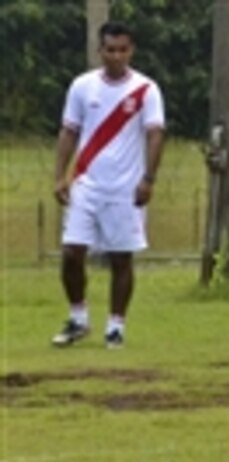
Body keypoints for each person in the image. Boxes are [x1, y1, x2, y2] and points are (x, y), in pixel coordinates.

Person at [52, 21, 166, 349]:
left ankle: (115, 325)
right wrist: (60, 175)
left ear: (131, 51)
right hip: (86, 182)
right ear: (99, 51)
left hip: (126, 188)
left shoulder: (146, 90)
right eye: (110, 50)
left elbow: (155, 134)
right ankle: (78, 319)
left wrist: (148, 179)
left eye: (122, 50)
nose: (116, 56)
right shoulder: (82, 87)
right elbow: (69, 131)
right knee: (72, 252)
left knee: (120, 258)